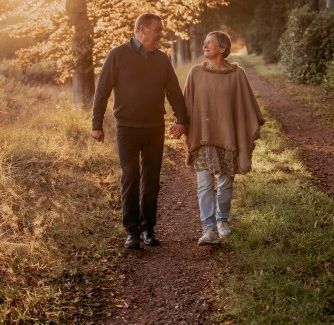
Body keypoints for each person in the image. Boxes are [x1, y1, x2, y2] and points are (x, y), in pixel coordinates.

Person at [91, 13, 187, 250]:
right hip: (127, 128)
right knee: (131, 176)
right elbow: (102, 90)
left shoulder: (162, 59)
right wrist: (97, 124)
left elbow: (173, 91)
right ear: (142, 30)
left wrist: (182, 119)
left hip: (155, 127)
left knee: (152, 179)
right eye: (157, 30)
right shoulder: (117, 55)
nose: (160, 34)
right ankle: (132, 231)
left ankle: (148, 229)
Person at [183, 31, 265, 246]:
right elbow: (185, 105)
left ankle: (222, 220)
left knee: (226, 183)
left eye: (209, 42)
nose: (205, 45)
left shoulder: (237, 75)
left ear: (222, 48)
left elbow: (246, 107)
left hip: (228, 137)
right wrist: (180, 123)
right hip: (203, 138)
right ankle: (208, 228)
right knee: (204, 184)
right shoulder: (195, 73)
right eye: (204, 42)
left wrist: (248, 130)